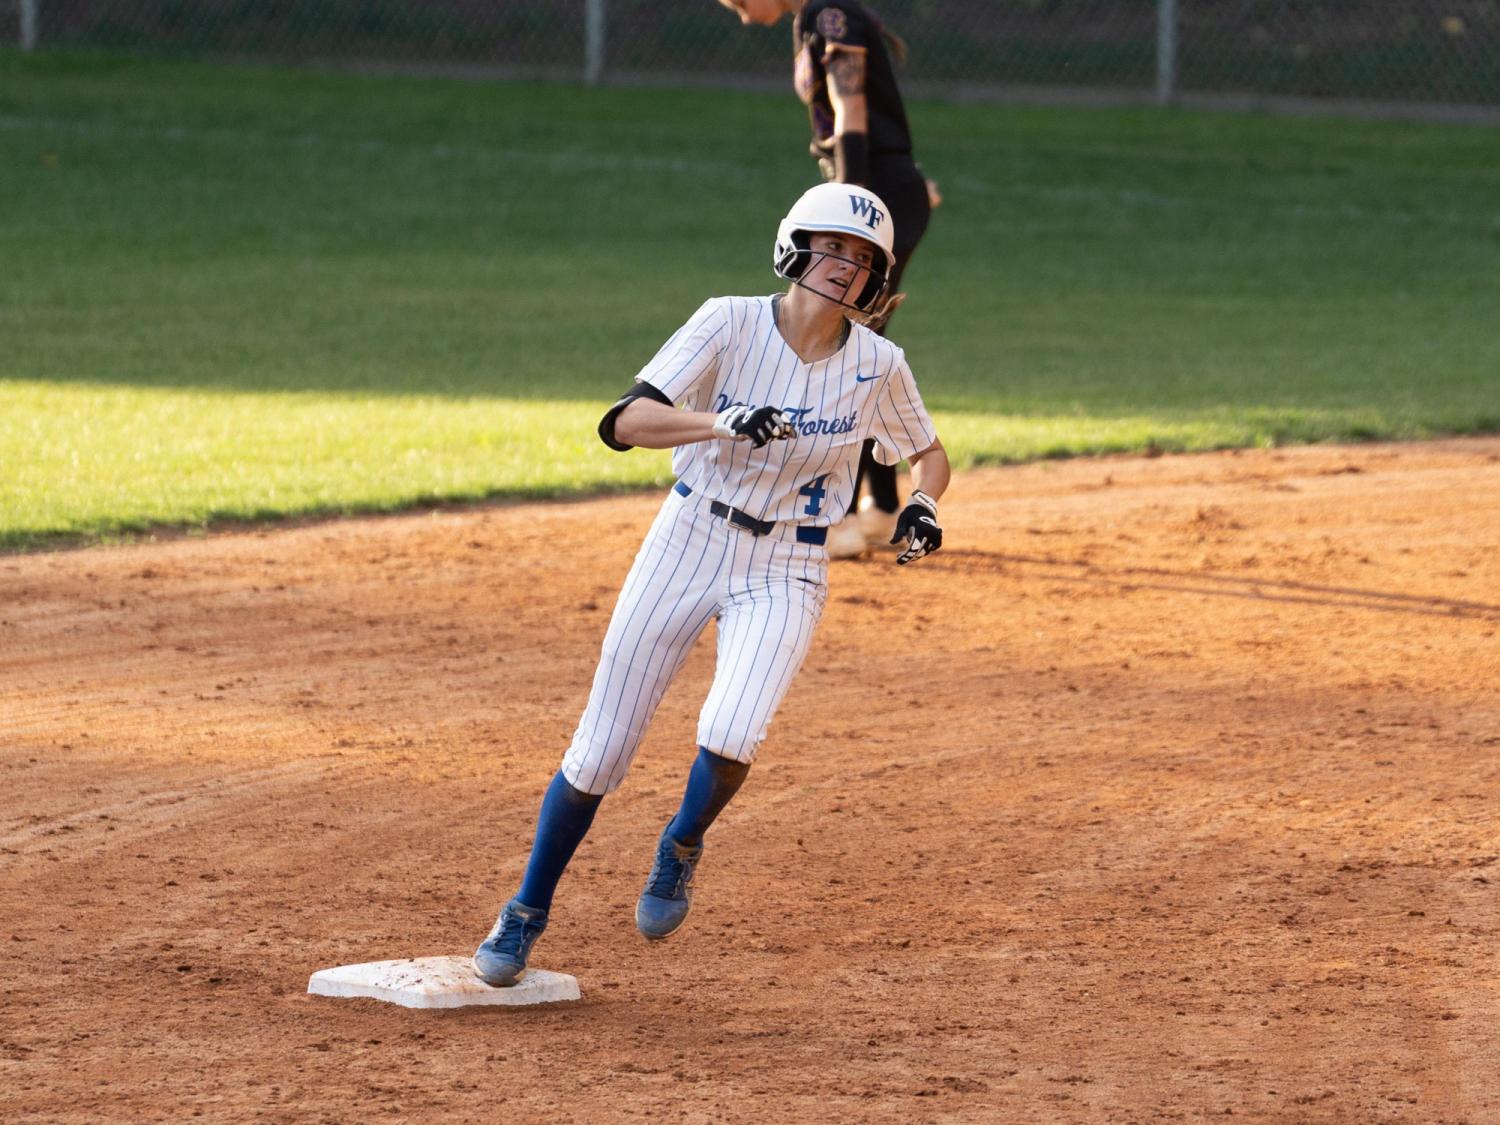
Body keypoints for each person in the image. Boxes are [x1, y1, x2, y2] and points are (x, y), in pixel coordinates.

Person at [473, 183, 950, 986]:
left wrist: (927, 502)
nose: (846, 267)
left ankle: (682, 840)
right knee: (600, 752)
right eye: (834, 247)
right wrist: (721, 421)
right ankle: (525, 910)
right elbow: (623, 423)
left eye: (864, 259)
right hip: (688, 537)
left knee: (734, 730)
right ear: (796, 247)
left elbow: (926, 451)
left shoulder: (879, 365)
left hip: (790, 562)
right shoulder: (727, 321)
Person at [717, 0, 941, 559]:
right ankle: (881, 507)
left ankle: (839, 516)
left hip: (870, 194)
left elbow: (852, 114)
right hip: (878, 190)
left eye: (741, 0)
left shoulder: (829, 16)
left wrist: (853, 211)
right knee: (860, 349)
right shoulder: (816, 18)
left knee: (840, 352)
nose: (740, 12)